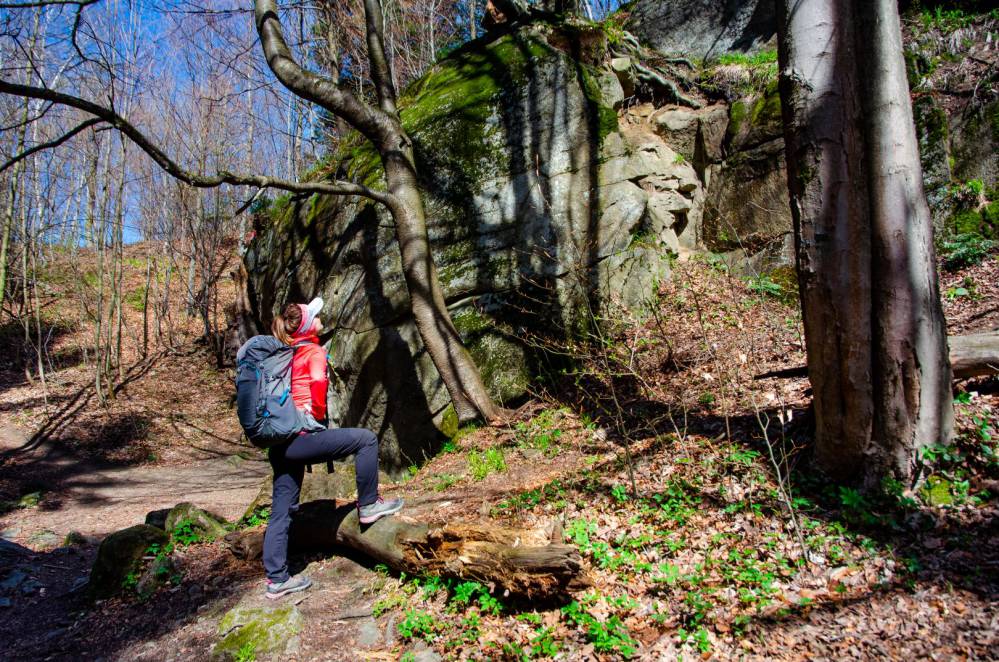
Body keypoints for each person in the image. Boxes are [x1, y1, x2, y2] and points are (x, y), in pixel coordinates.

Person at [262, 297, 403, 600]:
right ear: (306, 327)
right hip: (301, 438)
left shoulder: (285, 354)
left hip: (280, 443)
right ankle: (369, 506)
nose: (319, 317)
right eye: (315, 315)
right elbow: (316, 386)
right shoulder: (312, 352)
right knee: (366, 439)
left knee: (281, 510)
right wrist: (315, 413)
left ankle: (276, 579)